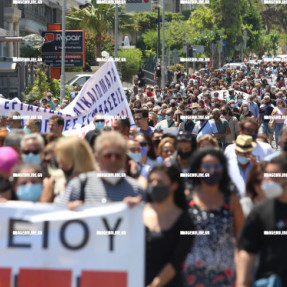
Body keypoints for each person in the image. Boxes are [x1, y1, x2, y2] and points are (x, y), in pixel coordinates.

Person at [183, 147, 244, 287]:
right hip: (191, 271)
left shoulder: (232, 200)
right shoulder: (187, 198)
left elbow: (241, 237)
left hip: (224, 272)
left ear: (223, 169)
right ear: (198, 170)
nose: (212, 171)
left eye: (217, 166)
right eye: (206, 166)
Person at [236, 156, 287, 287]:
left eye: (274, 176)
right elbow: (247, 250)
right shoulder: (261, 211)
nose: (268, 181)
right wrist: (242, 281)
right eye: (266, 176)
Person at [59, 132, 143, 206]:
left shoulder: (136, 189)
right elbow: (58, 218)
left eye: (118, 156)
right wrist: (70, 212)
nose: (113, 160)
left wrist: (138, 209)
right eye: (107, 156)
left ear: (125, 158)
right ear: (97, 157)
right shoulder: (78, 186)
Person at [144, 165, 194, 287]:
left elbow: (176, 261)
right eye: (151, 181)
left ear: (174, 185)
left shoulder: (185, 221)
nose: (155, 185)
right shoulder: (136, 213)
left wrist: (154, 285)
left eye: (160, 182)